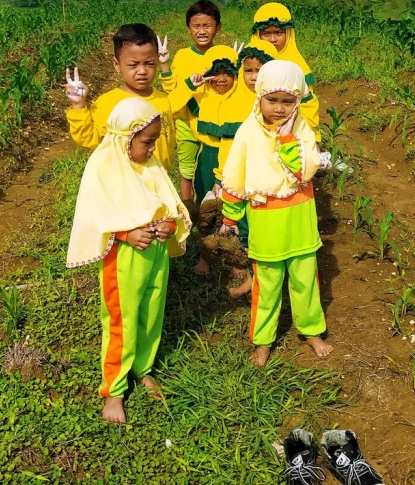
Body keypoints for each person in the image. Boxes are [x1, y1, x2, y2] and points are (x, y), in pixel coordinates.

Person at [66, 97, 191, 424]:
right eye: (146, 142)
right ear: (125, 139)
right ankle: (114, 390)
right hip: (124, 259)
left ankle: (143, 368)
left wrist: (168, 225)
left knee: (152, 311)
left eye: (155, 141)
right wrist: (125, 234)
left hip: (155, 254)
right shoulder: (104, 168)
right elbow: (99, 215)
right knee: (121, 320)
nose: (152, 149)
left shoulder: (151, 166)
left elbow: (169, 203)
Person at [219, 60, 333, 366]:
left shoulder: (302, 132)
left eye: (288, 101)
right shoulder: (248, 132)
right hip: (265, 220)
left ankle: (311, 331)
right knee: (266, 283)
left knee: (305, 278)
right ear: (259, 96)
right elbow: (235, 175)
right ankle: (263, 340)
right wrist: (230, 216)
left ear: (298, 100)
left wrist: (286, 139)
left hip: (299, 219)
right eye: (272, 100)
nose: (279, 109)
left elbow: (304, 171)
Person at [65, 23, 199, 168]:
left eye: (149, 63)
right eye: (133, 65)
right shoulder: (109, 103)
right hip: (127, 183)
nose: (142, 71)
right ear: (117, 65)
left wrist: (189, 86)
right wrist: (78, 105)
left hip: (159, 177)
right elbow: (89, 137)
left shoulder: (162, 99)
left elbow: (179, 108)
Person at [219, 37, 278, 298]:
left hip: (269, 182)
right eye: (248, 70)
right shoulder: (233, 99)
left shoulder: (279, 104)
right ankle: (252, 278)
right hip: (242, 179)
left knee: (263, 235)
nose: (254, 77)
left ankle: (260, 281)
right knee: (246, 230)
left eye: (261, 70)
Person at [159, 0, 222, 201]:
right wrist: (164, 65)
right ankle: (187, 209)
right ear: (188, 29)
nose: (201, 31)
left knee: (214, 166)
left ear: (218, 28)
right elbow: (173, 89)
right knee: (186, 170)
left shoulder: (221, 56)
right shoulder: (183, 56)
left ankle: (212, 204)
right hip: (186, 121)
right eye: (196, 26)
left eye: (207, 26)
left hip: (213, 122)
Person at [250, 3, 321, 141]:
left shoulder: (298, 67)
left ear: (288, 33)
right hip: (255, 133)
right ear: (258, 34)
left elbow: (307, 105)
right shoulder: (249, 61)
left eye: (278, 33)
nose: (272, 39)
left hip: (289, 133)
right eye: (266, 34)